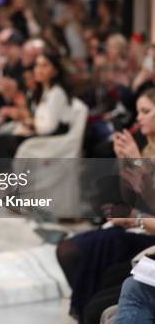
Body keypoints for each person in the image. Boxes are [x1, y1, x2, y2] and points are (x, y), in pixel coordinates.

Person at [56, 87, 155, 323]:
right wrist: (124, 160)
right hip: (139, 225)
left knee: (95, 269)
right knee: (70, 251)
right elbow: (128, 196)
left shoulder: (143, 152)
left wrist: (137, 161)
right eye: (138, 111)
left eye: (146, 111)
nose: (139, 117)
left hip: (147, 231)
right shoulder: (147, 147)